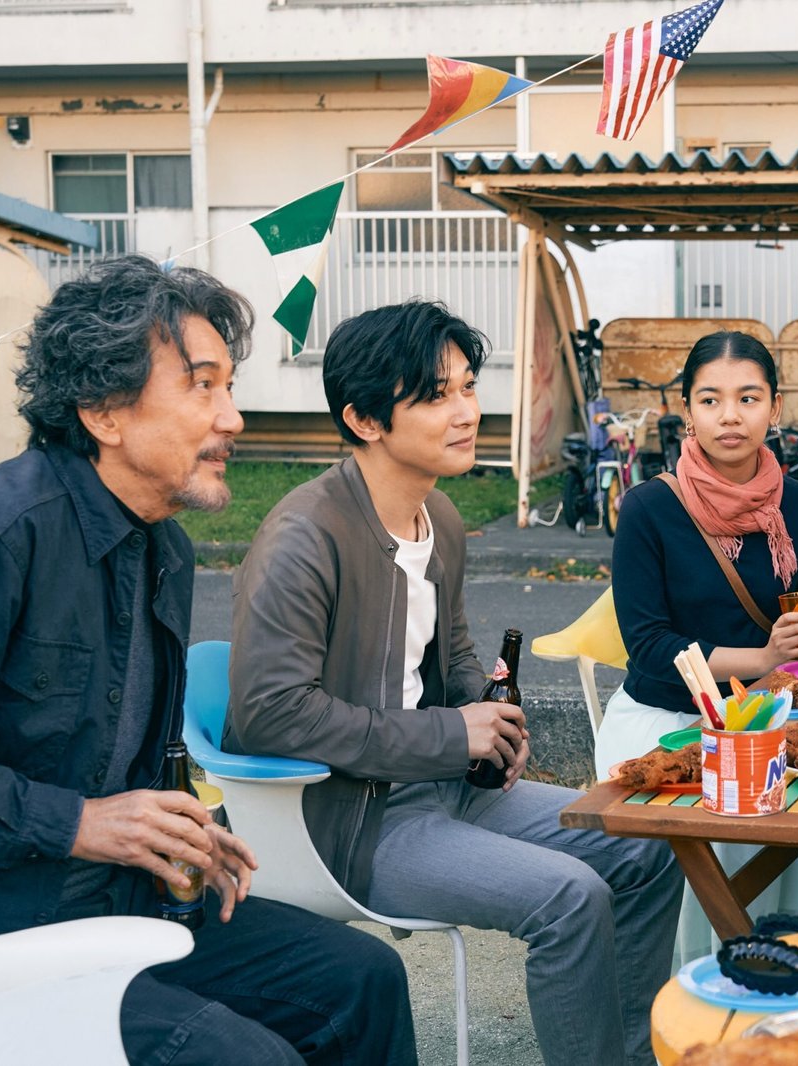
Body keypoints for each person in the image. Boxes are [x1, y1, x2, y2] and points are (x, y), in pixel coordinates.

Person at [0, 256, 416, 1065]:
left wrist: (184, 829)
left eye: (230, 387)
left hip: (120, 901)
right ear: (104, 413)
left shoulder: (164, 550)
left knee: (362, 978)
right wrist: (82, 823)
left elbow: (121, 750)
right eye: (202, 386)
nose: (233, 418)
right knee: (245, 1058)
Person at [227, 301, 682, 1066]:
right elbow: (272, 714)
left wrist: (490, 720)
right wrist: (450, 733)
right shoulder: (303, 539)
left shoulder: (437, 515)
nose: (467, 411)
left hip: (448, 786)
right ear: (363, 419)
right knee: (569, 898)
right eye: (436, 395)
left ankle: (636, 1055)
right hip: (353, 820)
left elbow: (456, 654)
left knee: (647, 846)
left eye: (469, 386)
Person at [598, 330, 798, 963]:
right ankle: (696, 986)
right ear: (687, 409)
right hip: (667, 722)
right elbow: (650, 647)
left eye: (748, 398)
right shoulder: (648, 508)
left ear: (775, 406)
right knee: (732, 822)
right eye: (711, 400)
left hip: (771, 715)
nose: (730, 416)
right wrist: (765, 659)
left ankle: (797, 974)